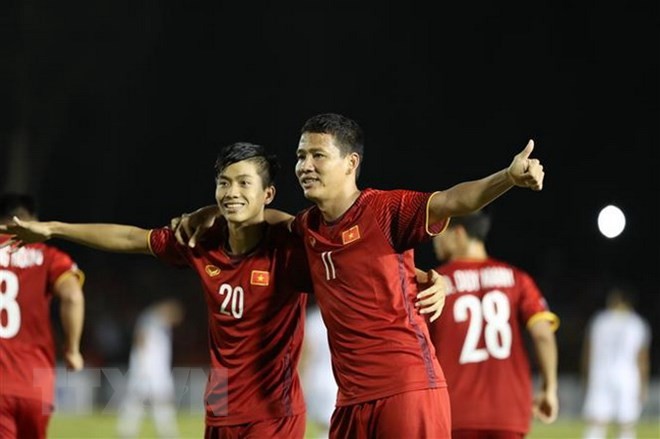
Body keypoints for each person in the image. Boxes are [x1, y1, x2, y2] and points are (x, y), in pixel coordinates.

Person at [0, 143, 448, 438]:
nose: (231, 192)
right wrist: (55, 228)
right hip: (219, 407)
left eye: (243, 184)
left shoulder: (291, 251)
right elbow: (130, 238)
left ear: (268, 193)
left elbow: (362, 265)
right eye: (224, 183)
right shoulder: (201, 244)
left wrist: (433, 279)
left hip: (274, 413)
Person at [171, 112, 546, 438]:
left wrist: (508, 178)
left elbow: (454, 199)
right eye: (301, 156)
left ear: (351, 163)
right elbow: (263, 218)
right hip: (349, 402)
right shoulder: (308, 227)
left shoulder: (385, 210)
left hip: (406, 390)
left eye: (318, 155)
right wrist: (212, 212)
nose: (305, 165)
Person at [427, 210, 559, 438]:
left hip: (454, 412)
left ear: (458, 233)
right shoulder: (517, 278)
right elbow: (543, 335)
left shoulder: (435, 284)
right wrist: (549, 389)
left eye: (439, 231)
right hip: (509, 413)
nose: (433, 238)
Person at [0, 193, 85, 439]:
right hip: (36, 383)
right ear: (32, 220)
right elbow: (72, 296)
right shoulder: (49, 256)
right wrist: (72, 350)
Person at [581, 286, 651, 439]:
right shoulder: (637, 323)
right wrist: (643, 384)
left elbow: (588, 353)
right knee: (626, 424)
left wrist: (586, 377)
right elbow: (642, 358)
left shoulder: (599, 321)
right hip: (627, 376)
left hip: (600, 374)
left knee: (597, 422)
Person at [116, 297, 184, 439]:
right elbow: (140, 340)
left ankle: (165, 432)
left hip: (158, 369)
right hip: (146, 367)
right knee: (137, 400)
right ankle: (127, 431)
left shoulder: (162, 323)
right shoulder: (149, 319)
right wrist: (142, 365)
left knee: (159, 401)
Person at [299, 299, 337, 438]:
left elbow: (304, 360)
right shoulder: (341, 319)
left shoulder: (311, 320)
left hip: (315, 384)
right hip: (336, 385)